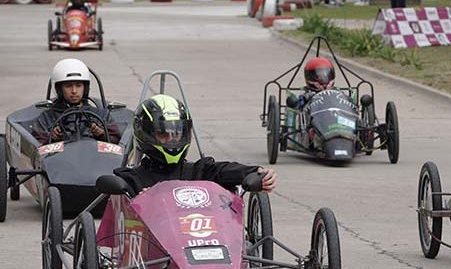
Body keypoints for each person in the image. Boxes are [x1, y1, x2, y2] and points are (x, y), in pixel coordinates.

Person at [114, 94, 276, 195]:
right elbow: (111, 186)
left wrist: (256, 172)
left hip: (200, 242)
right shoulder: (132, 179)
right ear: (145, 134)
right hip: (151, 245)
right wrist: (140, 198)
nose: (172, 140)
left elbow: (223, 170)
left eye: (177, 134)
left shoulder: (198, 172)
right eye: (164, 134)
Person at [32, 58, 119, 144]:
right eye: (68, 86)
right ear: (59, 89)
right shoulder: (47, 118)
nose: (74, 91)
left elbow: (117, 142)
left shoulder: (102, 116)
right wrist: (51, 136)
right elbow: (35, 145)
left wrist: (102, 134)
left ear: (85, 88)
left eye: (78, 85)